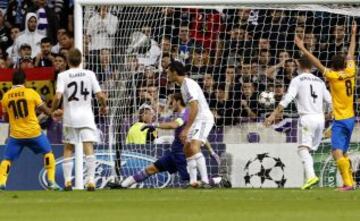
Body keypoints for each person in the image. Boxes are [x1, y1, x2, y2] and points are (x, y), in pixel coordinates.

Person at [114, 93, 229, 188]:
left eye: (172, 101)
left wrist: (154, 125)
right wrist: (211, 151)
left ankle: (218, 180)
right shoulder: (182, 114)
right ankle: (122, 185)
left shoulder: (186, 113)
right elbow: (200, 136)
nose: (170, 104)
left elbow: (174, 125)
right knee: (151, 169)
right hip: (173, 153)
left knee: (193, 182)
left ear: (178, 101)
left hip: (183, 154)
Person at [294, 21, 357, 191]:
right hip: (351, 118)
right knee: (342, 153)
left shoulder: (333, 76)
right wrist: (353, 34)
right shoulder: (351, 71)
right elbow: (351, 54)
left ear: (334, 67)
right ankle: (350, 181)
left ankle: (349, 184)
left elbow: (316, 63)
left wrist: (303, 48)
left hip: (341, 120)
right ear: (344, 64)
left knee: (336, 152)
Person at [265, 56, 332, 190]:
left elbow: (287, 98)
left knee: (302, 149)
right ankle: (310, 178)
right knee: (309, 150)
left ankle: (311, 177)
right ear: (311, 67)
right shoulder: (320, 81)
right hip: (320, 118)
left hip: (307, 118)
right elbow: (330, 101)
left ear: (299, 66)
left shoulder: (297, 80)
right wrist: (330, 117)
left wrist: (273, 114)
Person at [51, 48, 107, 191]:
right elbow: (100, 95)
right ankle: (91, 181)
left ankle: (68, 181)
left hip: (70, 117)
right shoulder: (90, 74)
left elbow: (58, 96)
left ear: (68, 61)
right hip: (86, 116)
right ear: (81, 60)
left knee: (69, 147)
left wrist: (52, 110)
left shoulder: (63, 75)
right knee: (88, 147)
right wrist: (103, 106)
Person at [0, 70, 59, 190]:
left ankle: (2, 183)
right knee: (48, 153)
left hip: (16, 135)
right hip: (34, 133)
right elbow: (44, 110)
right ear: (25, 81)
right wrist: (52, 112)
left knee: (7, 159)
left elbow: (6, 115)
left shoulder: (6, 96)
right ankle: (51, 181)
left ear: (13, 82)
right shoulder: (30, 93)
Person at [167, 58, 214, 188]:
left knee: (193, 147)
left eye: (168, 73)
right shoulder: (183, 86)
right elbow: (190, 108)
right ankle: (193, 182)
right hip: (197, 119)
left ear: (175, 72)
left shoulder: (188, 85)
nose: (167, 76)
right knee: (187, 148)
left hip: (204, 118)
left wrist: (186, 128)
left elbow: (195, 107)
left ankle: (205, 181)